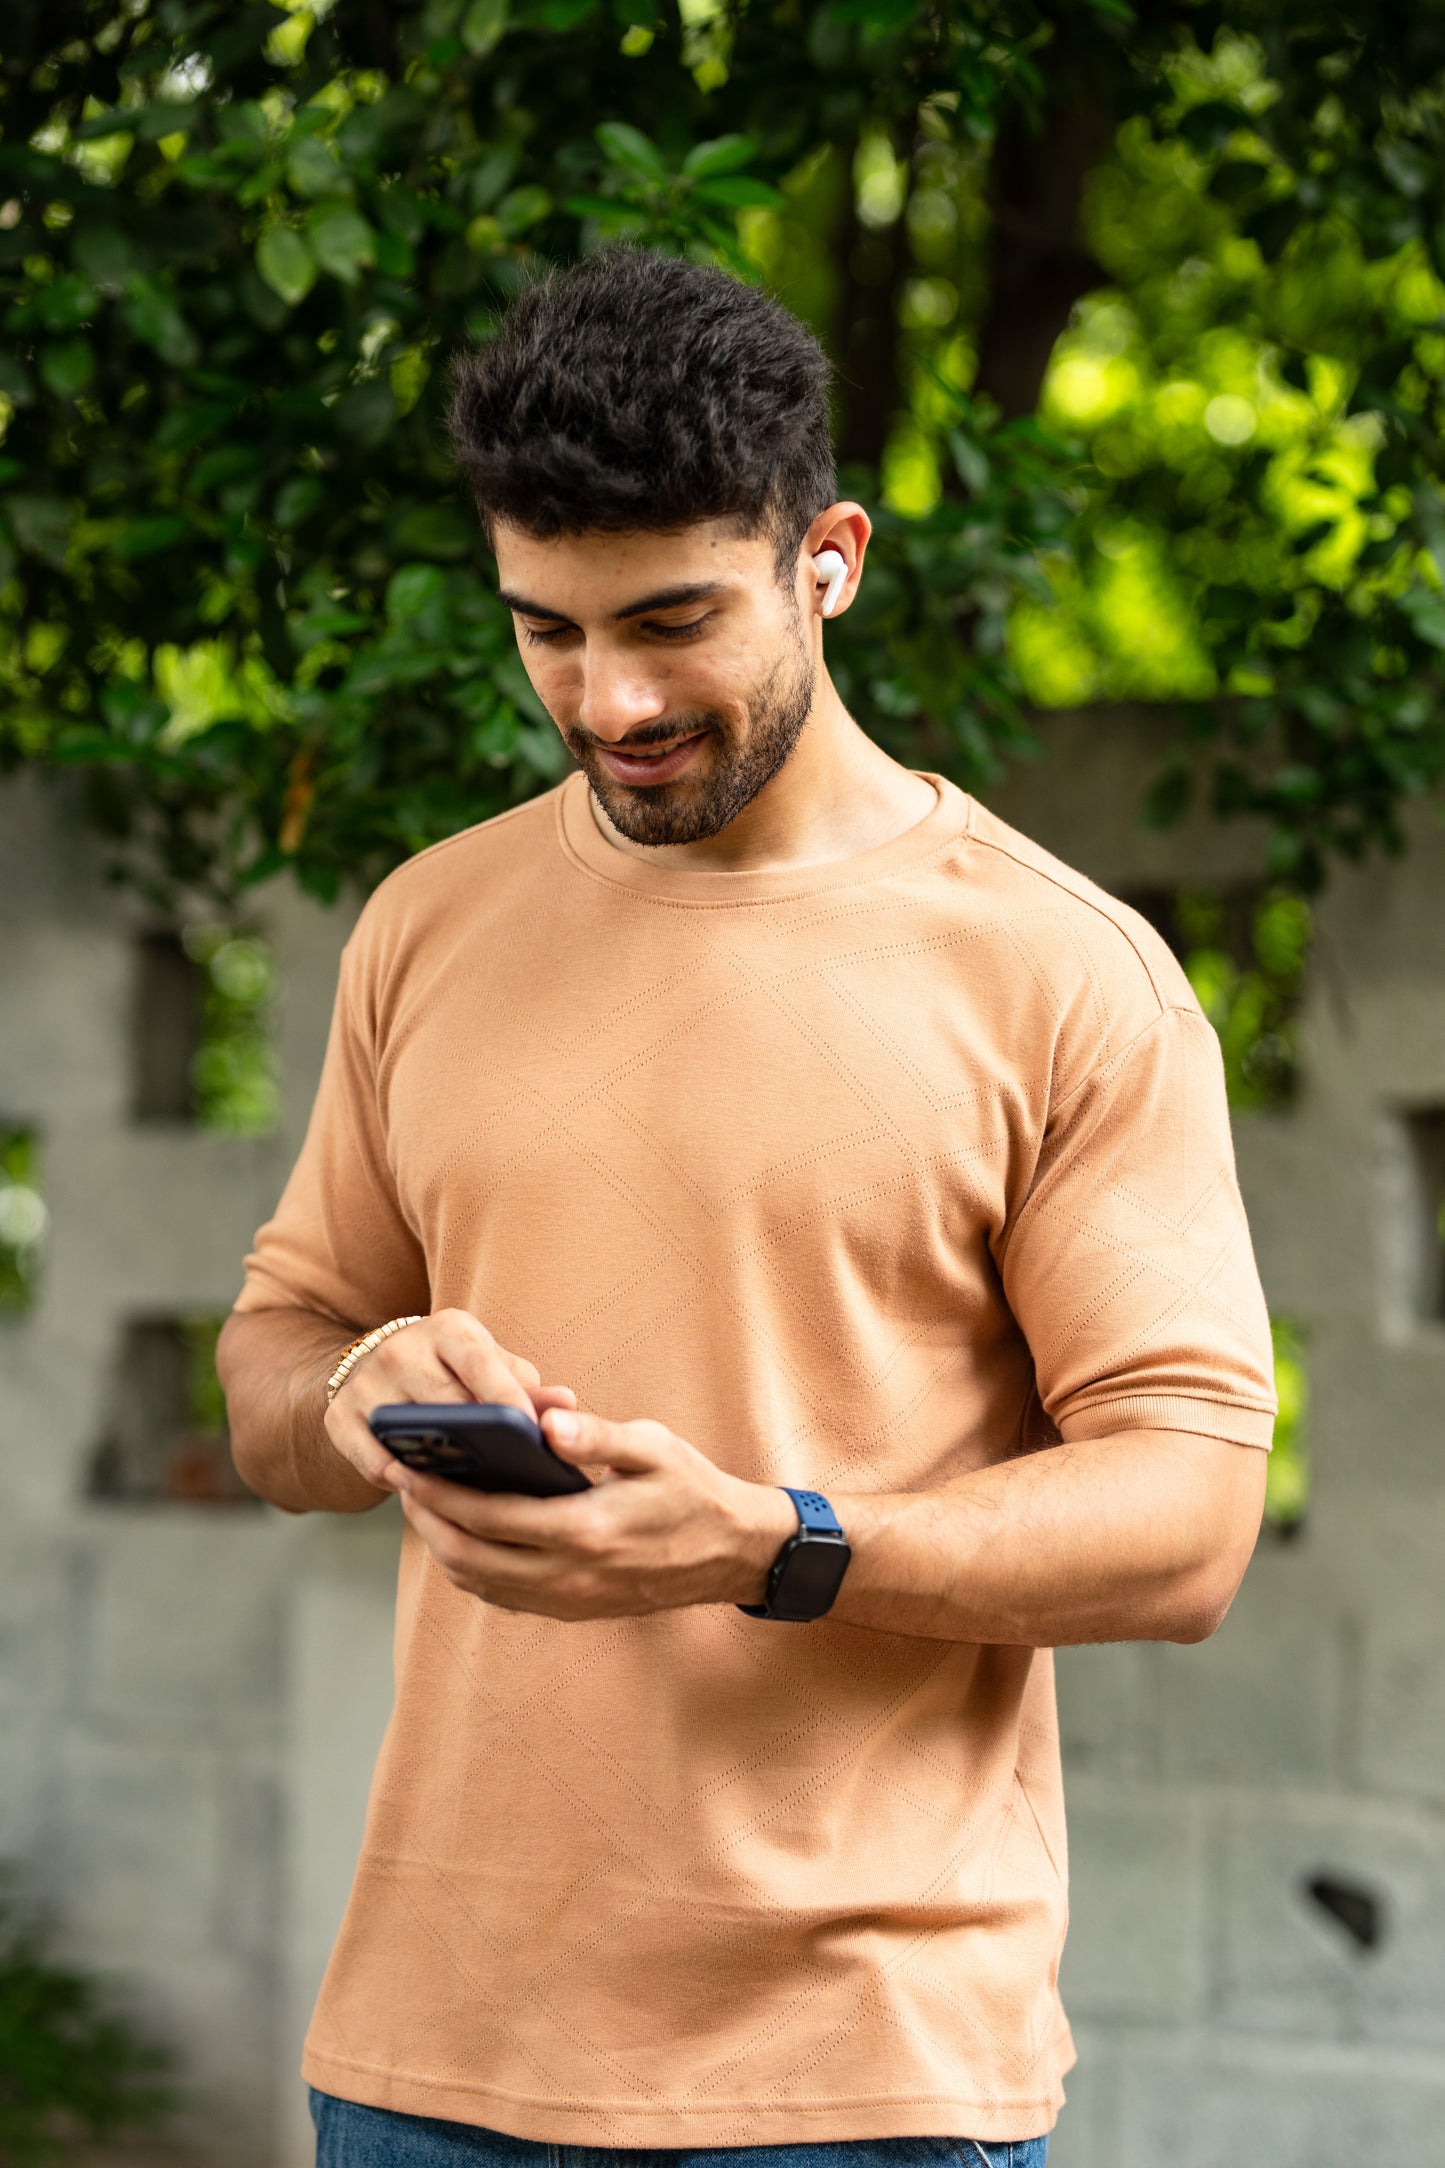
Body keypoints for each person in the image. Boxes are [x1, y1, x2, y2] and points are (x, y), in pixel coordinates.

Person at [218, 247, 1277, 2168]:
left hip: (856, 2081)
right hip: (425, 2064)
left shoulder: (1064, 979)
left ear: (828, 560)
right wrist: (359, 1385)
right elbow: (271, 1375)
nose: (609, 700)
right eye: (546, 630)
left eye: (671, 621)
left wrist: (772, 1543)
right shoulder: (428, 924)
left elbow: (1189, 1517)